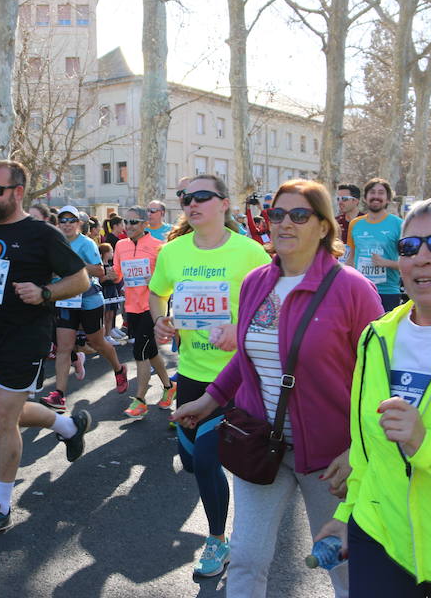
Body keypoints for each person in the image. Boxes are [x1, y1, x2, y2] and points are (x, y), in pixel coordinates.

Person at [173, 179, 383, 596]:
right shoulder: (256, 282)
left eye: (299, 215)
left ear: (324, 227)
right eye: (277, 214)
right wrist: (208, 399)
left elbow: (378, 375)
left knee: (341, 563)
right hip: (258, 444)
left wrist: (357, 449)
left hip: (329, 459)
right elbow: (247, 356)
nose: (285, 223)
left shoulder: (352, 289)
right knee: (248, 560)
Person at [316, 194, 431, 597]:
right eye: (409, 247)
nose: (421, 257)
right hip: (380, 539)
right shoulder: (376, 337)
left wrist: (426, 445)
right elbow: (366, 450)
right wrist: (348, 515)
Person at [0, 160, 93, 540]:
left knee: (0, 417)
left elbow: (80, 279)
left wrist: (44, 292)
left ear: (17, 192)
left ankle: (0, 506)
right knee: (7, 410)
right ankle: (67, 425)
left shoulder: (41, 234)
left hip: (27, 335)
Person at [149, 173, 271, 577]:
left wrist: (240, 333)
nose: (192, 203)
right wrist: (160, 322)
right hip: (192, 375)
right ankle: (227, 515)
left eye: (202, 196)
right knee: (190, 457)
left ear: (224, 203)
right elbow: (157, 292)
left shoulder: (250, 253)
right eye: (185, 197)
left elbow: (275, 307)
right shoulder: (174, 252)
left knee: (204, 456)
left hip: (238, 378)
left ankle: (217, 540)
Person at [41, 205, 129, 412]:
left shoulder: (87, 243)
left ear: (79, 224)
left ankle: (118, 369)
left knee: (97, 343)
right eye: (63, 220)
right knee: (63, 348)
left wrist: (73, 263)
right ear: (58, 223)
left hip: (89, 299)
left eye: (72, 220)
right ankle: (59, 395)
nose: (67, 224)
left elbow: (99, 271)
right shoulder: (54, 243)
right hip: (65, 301)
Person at [112, 206, 174, 419]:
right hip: (131, 307)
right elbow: (117, 274)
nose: (128, 226)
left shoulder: (159, 247)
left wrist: (155, 279)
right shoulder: (120, 246)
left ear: (145, 223)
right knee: (151, 352)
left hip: (152, 307)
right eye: (126, 222)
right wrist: (107, 274)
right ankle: (169, 386)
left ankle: (140, 400)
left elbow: (168, 279)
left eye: (133, 222)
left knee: (140, 351)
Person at [346, 178, 403, 311]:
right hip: (359, 289)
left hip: (388, 293)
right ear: (365, 198)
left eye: (381, 193)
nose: (376, 196)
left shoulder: (399, 224)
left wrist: (385, 263)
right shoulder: (355, 224)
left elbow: (410, 263)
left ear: (388, 199)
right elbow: (351, 259)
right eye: (372, 192)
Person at [336, 183, 363, 263]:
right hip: (339, 270)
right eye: (338, 199)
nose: (340, 202)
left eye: (344, 199)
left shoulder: (366, 221)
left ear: (355, 201)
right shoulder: (335, 222)